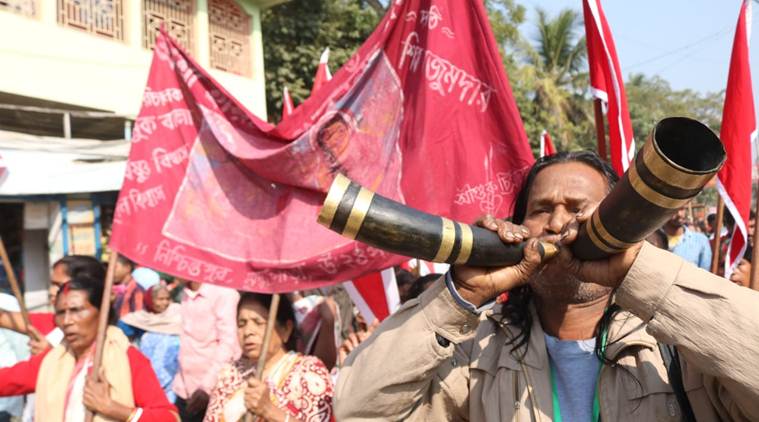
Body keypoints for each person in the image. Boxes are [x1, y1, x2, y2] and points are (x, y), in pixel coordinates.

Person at [335, 151, 759, 421]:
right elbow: (357, 409)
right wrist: (459, 295)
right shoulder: (478, 351)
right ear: (516, 229)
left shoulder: (677, 347)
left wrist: (641, 273)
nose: (557, 224)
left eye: (578, 209)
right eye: (540, 210)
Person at [0, 275, 178, 420]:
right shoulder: (52, 361)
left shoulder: (127, 358)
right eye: (61, 313)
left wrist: (114, 409)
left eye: (77, 310)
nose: (67, 321)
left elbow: (167, 417)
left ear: (102, 312)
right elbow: (8, 381)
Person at [204, 293, 334, 422]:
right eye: (242, 323)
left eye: (258, 322)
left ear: (286, 330)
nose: (248, 331)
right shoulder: (230, 374)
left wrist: (269, 410)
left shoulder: (308, 372)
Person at [0, 255, 105, 353]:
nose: (51, 291)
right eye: (52, 285)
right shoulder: (54, 322)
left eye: (59, 285)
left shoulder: (109, 341)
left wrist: (49, 355)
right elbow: (4, 318)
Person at [173, 280, 240, 422]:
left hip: (211, 393)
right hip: (184, 389)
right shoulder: (186, 293)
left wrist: (207, 387)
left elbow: (229, 344)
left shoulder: (224, 293)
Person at [119, 284, 182, 402]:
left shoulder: (177, 314)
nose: (165, 303)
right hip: (146, 375)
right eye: (160, 299)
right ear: (150, 300)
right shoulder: (139, 319)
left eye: (167, 298)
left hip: (173, 380)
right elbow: (120, 334)